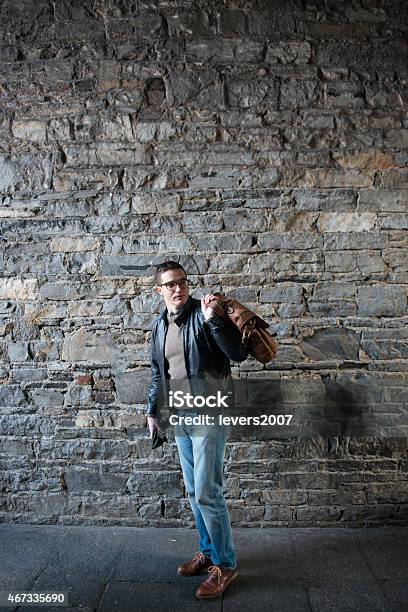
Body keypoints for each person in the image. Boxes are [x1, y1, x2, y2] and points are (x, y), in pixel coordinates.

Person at [145, 260, 248, 600]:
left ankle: (225, 564)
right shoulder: (160, 326)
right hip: (180, 416)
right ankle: (207, 552)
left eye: (183, 282)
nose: (179, 289)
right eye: (171, 284)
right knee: (192, 490)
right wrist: (151, 410)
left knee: (207, 491)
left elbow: (238, 353)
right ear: (159, 290)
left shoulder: (205, 315)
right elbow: (158, 373)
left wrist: (212, 322)